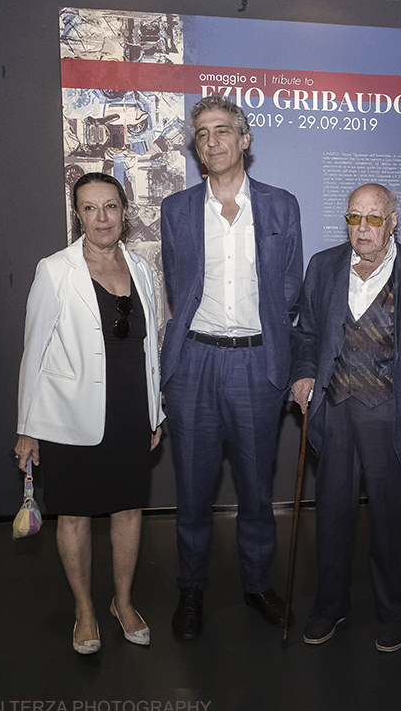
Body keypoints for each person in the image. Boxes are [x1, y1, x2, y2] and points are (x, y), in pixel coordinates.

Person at [159, 95, 303, 640]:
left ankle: (257, 585)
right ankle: (191, 589)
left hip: (255, 364)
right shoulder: (177, 210)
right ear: (196, 148)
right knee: (193, 492)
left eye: (222, 130)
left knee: (256, 491)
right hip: (194, 362)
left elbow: (290, 284)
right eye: (202, 134)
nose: (212, 141)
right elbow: (178, 284)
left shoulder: (280, 205)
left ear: (244, 140)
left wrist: (264, 339)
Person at [290, 184, 401, 653]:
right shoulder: (323, 266)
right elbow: (306, 334)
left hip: (392, 415)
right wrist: (300, 374)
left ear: (392, 221)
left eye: (374, 219)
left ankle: (394, 611)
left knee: (391, 520)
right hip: (334, 410)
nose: (362, 229)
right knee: (331, 516)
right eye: (354, 218)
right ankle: (328, 607)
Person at [15, 172, 164, 654]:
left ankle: (123, 602)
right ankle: (84, 610)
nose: (102, 218)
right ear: (76, 214)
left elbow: (152, 347)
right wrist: (26, 429)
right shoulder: (55, 270)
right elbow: (33, 352)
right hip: (69, 415)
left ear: (125, 211)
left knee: (128, 508)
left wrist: (154, 412)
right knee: (75, 515)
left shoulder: (143, 268)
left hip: (129, 410)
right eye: (90, 208)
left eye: (111, 207)